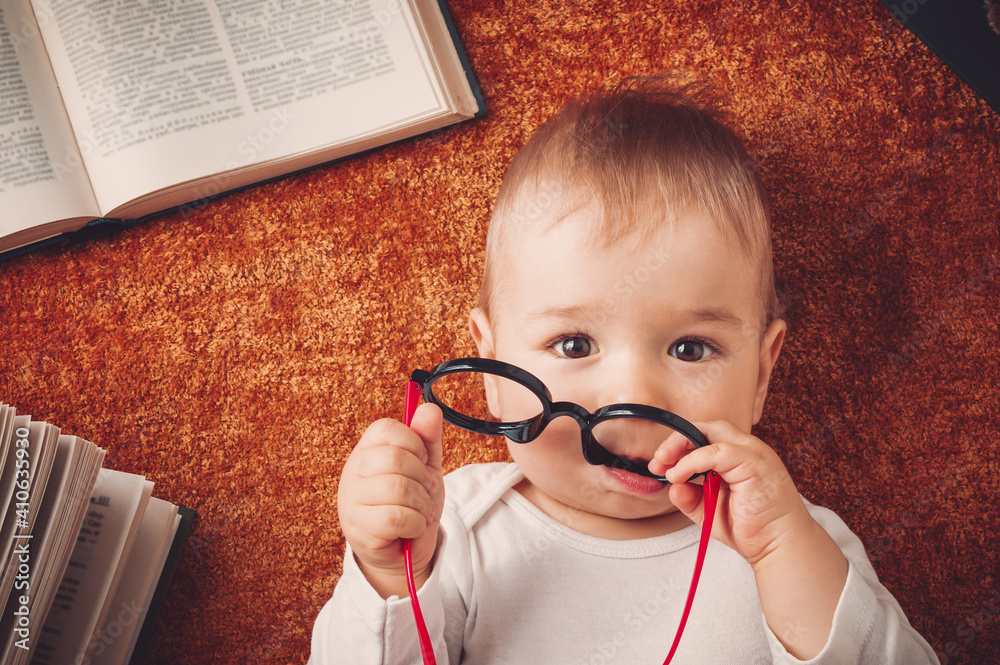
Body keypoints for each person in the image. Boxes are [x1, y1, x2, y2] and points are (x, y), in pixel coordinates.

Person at [309, 75, 939, 664]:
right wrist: (390, 576)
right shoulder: (455, 525)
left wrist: (784, 554)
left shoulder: (791, 536)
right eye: (574, 344)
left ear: (762, 375)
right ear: (493, 365)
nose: (633, 396)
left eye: (691, 349)